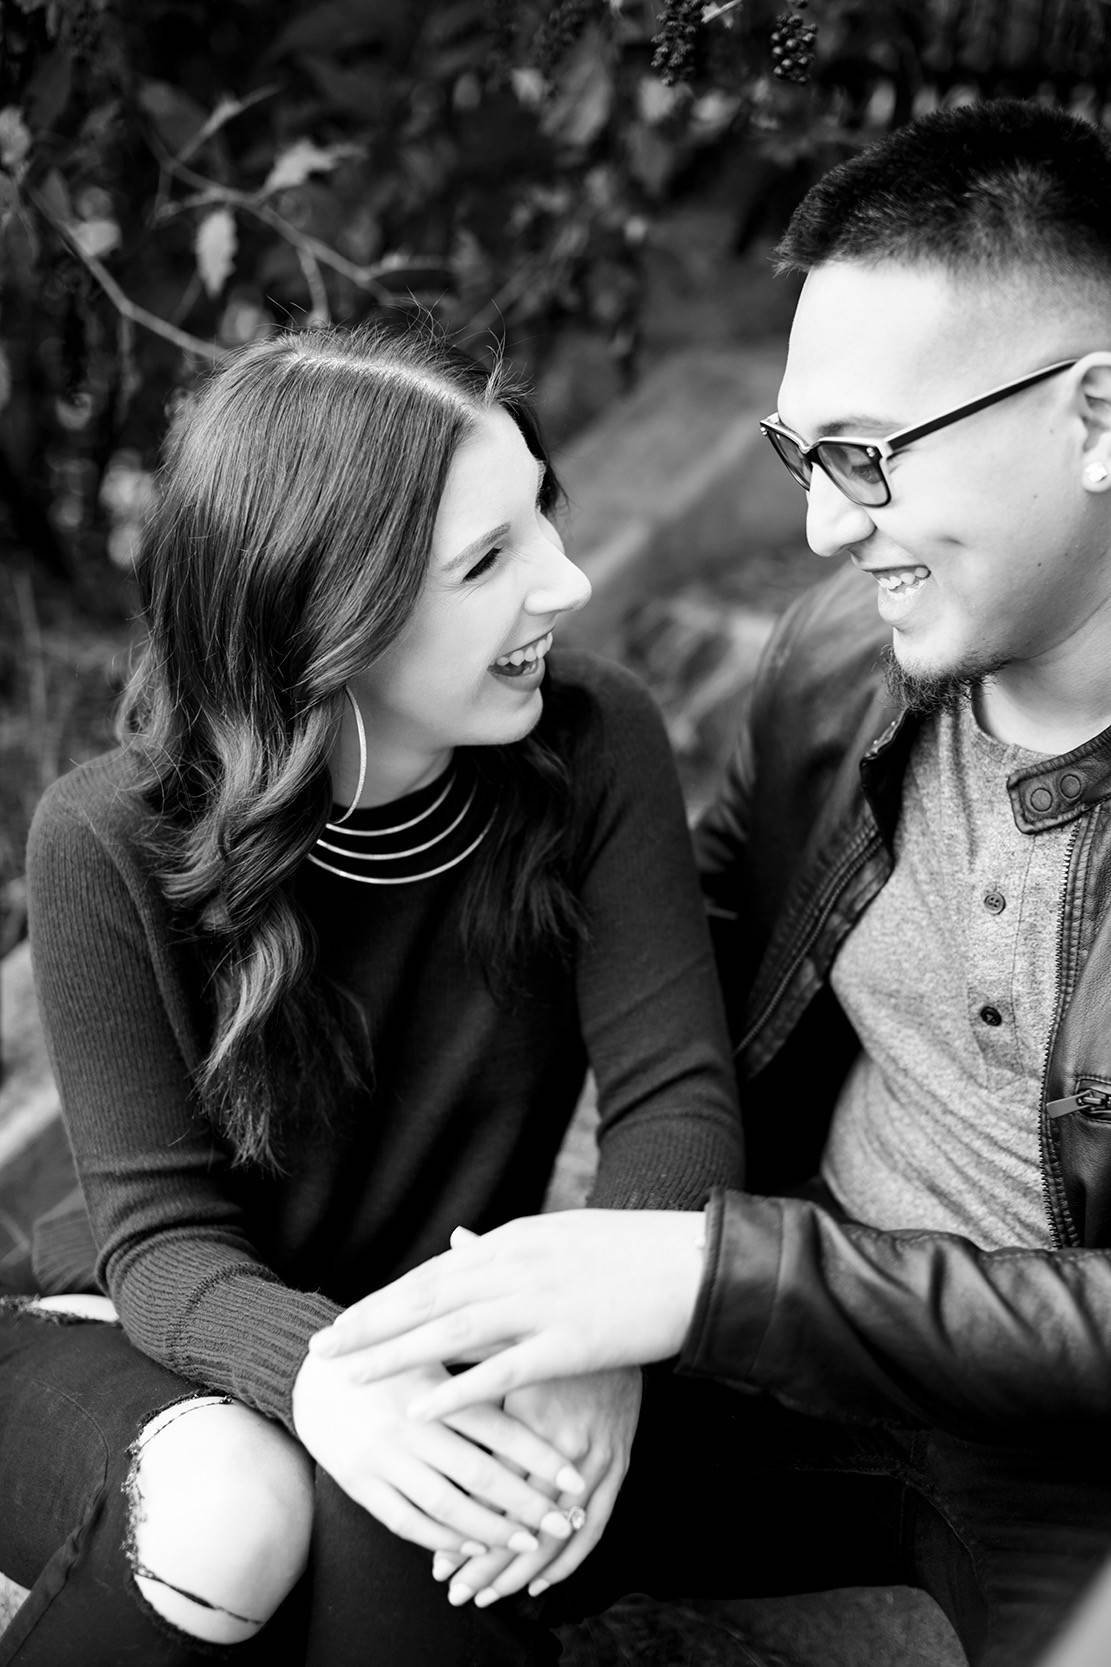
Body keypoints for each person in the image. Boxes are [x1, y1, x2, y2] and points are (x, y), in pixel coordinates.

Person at [307, 98, 1111, 1667]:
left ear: (1094, 415)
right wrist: (617, 1301)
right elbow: (698, 986)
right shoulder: (842, 664)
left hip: (1061, 1460)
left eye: (866, 458)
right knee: (393, 1493)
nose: (820, 528)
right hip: (791, 1366)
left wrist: (703, 1276)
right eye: (801, 456)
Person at [0, 320, 744, 1665]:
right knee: (241, 1501)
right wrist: (326, 1378)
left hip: (411, 1350)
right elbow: (160, 1243)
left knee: (418, 1494)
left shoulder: (594, 744)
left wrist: (598, 1336)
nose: (566, 580)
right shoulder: (106, 839)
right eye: (487, 561)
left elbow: (676, 1099)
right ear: (327, 613)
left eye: (544, 514)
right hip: (135, 1337)